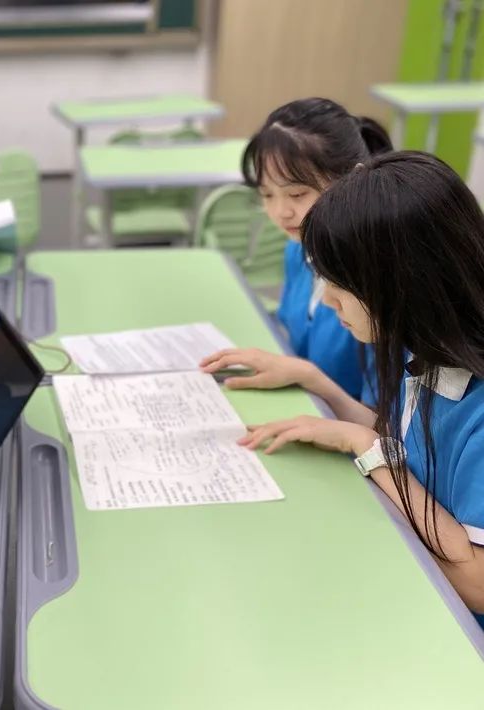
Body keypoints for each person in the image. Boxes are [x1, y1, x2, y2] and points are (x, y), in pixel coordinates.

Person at [236, 152, 484, 629]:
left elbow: (476, 585)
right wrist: (320, 387)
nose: (328, 299)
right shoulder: (423, 349)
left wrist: (371, 449)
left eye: (341, 283)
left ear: (406, 281)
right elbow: (406, 442)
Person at [202, 98, 392, 403]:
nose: (280, 212)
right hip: (308, 406)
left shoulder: (378, 276)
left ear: (354, 179)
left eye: (297, 194)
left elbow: (390, 429)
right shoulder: (298, 249)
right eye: (266, 194)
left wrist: (308, 377)